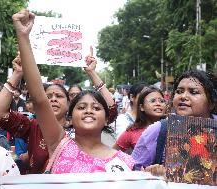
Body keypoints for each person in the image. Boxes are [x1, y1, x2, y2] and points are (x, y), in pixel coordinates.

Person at [12, 9, 134, 173]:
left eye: (96, 108)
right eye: (81, 107)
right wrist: (23, 36)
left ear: (107, 119)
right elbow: (39, 98)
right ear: (70, 118)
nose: (89, 111)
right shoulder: (59, 143)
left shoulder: (125, 162)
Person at [132, 70, 217, 173]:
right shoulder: (158, 131)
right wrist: (150, 175)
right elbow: (133, 173)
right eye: (179, 91)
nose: (183, 96)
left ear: (212, 102)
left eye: (193, 92)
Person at [113, 86, 166, 154]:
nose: (158, 104)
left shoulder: (171, 129)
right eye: (153, 101)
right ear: (142, 107)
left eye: (161, 101)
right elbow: (113, 154)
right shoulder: (131, 132)